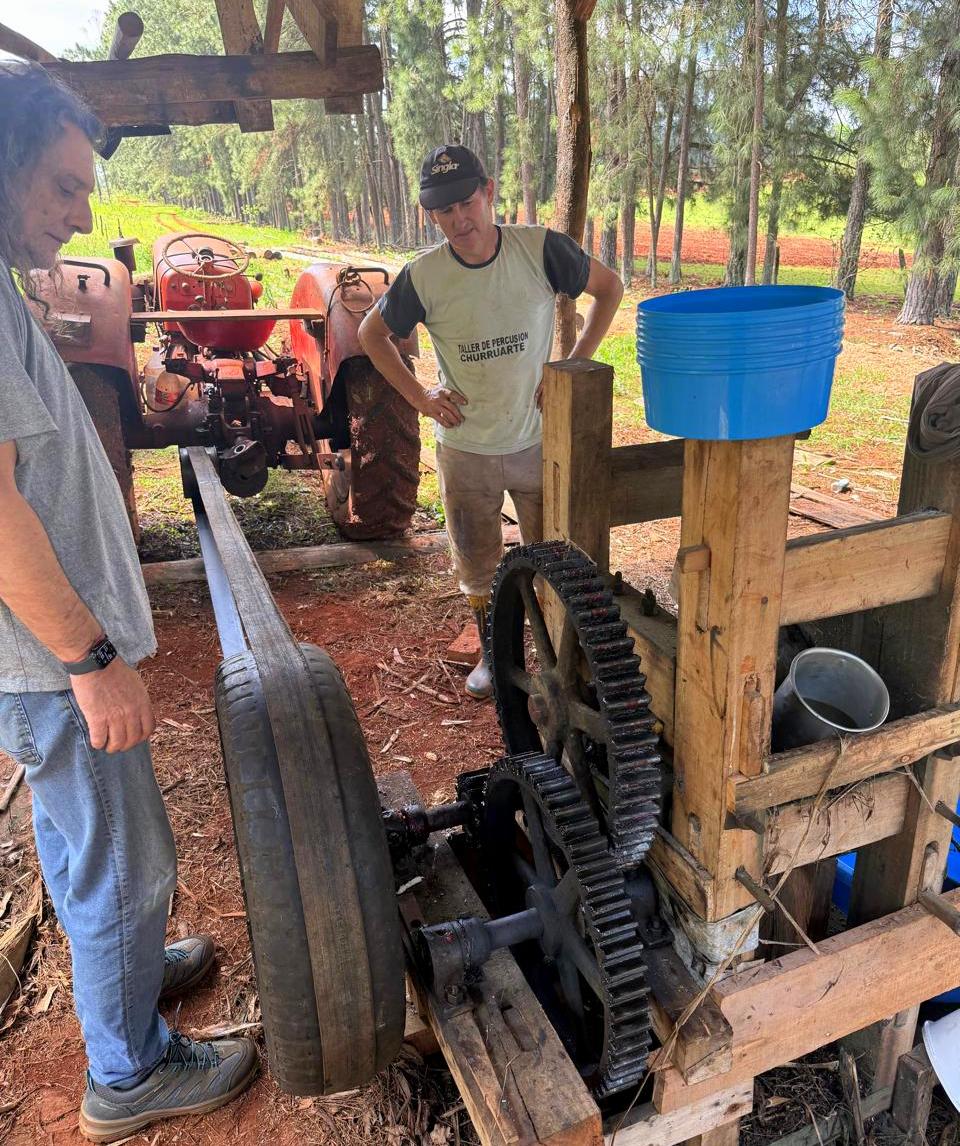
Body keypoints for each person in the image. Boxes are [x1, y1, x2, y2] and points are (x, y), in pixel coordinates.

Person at [0, 63, 258, 1143]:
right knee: (124, 852)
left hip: (47, 657)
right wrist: (89, 657)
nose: (83, 211)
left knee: (82, 840)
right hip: (52, 661)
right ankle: (129, 1074)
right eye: (62, 184)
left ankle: (127, 973)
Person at [359, 144, 623, 698]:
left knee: (553, 553)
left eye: (466, 202)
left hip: (536, 440)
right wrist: (419, 398)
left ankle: (559, 661)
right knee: (478, 560)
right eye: (442, 211)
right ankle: (494, 657)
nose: (458, 220)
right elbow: (370, 335)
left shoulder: (540, 249)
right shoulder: (424, 276)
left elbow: (610, 289)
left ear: (489, 192)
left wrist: (570, 365)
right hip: (466, 447)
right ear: (431, 215)